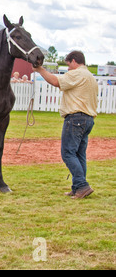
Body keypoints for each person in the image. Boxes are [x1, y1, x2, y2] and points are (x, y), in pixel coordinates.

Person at [32, 51, 98, 199]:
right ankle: (77, 187)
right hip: (88, 119)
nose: (68, 68)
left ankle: (82, 185)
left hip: (75, 118)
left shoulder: (77, 74)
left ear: (74, 61)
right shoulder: (89, 77)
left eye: (68, 65)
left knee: (68, 153)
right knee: (79, 155)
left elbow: (56, 81)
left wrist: (39, 70)